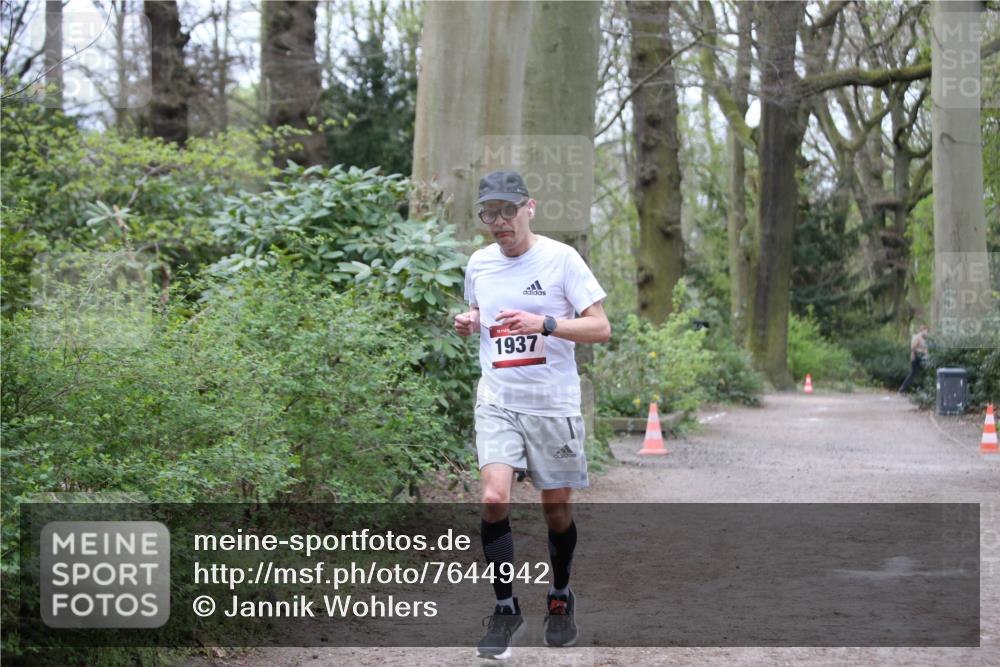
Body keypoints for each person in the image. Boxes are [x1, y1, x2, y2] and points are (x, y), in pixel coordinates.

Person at [453, 170, 610, 659]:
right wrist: (472, 320)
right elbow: (482, 311)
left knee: (555, 511)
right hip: (498, 400)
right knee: (493, 498)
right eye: (490, 214)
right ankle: (505, 609)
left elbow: (600, 328)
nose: (500, 222)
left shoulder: (562, 259)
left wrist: (544, 323)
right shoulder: (479, 263)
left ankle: (560, 595)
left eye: (508, 211)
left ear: (530, 208)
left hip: (552, 404)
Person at [898, 324, 929, 394]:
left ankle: (925, 390)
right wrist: (922, 351)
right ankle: (902, 390)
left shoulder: (923, 339)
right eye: (926, 331)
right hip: (916, 359)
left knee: (925, 374)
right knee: (913, 374)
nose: (927, 333)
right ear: (922, 330)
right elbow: (913, 348)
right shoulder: (916, 337)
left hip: (922, 359)